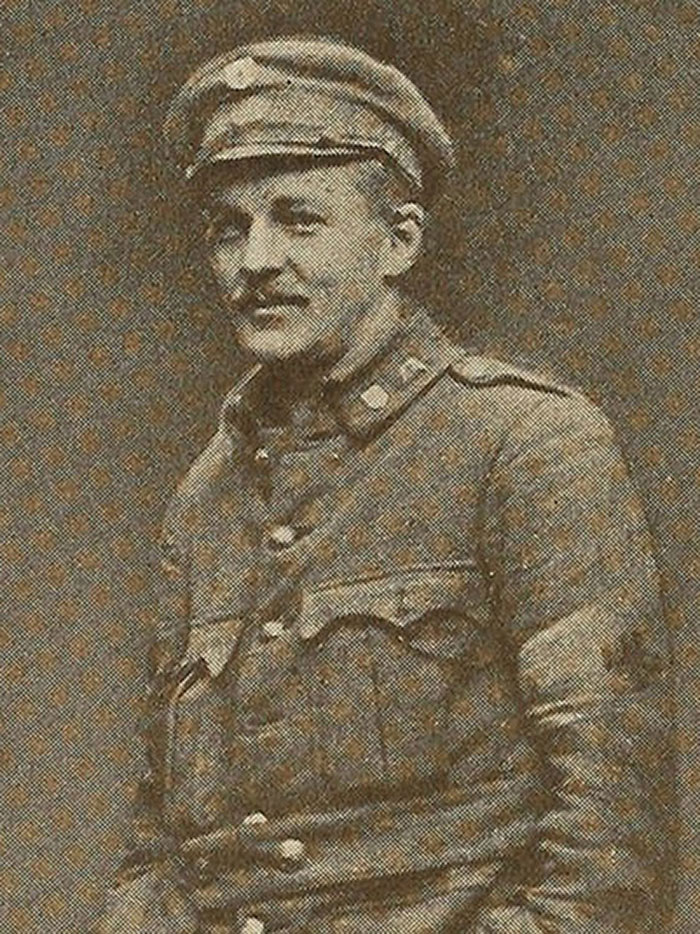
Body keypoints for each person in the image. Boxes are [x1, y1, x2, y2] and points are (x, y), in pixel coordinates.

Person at [98, 35, 675, 934]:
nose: (255, 260)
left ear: (397, 241)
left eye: (299, 219)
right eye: (228, 228)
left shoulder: (525, 443)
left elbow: (611, 841)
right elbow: (158, 844)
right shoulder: (205, 497)